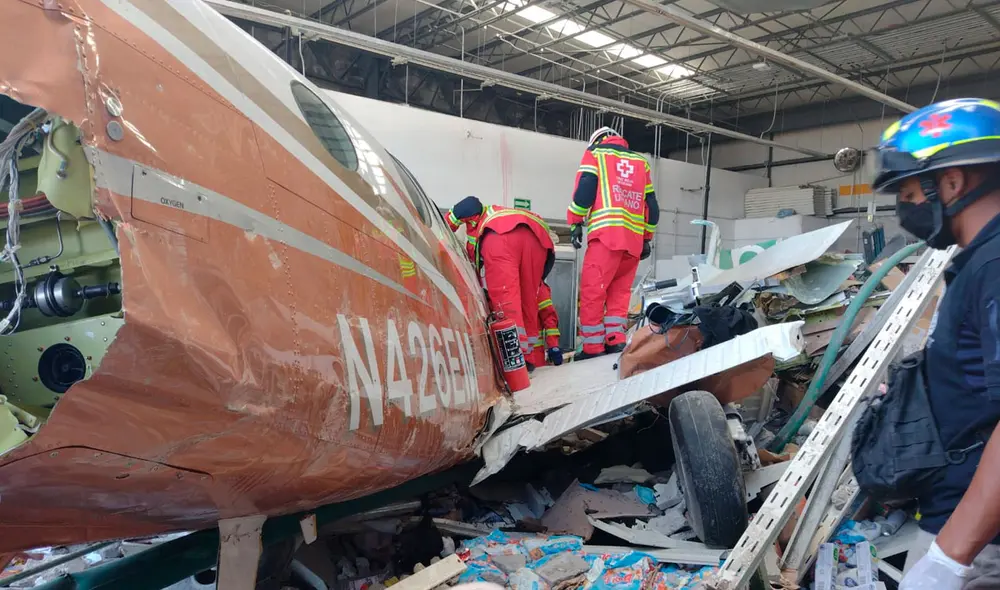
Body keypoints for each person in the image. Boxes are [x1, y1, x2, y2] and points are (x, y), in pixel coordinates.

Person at [870, 98, 1000, 590]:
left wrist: (950, 558)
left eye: (907, 190)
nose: (905, 207)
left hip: (981, 547)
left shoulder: (995, 266)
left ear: (951, 181)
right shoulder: (978, 263)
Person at [567, 126, 659, 360]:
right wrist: (647, 237)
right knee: (619, 293)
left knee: (592, 292)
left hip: (606, 236)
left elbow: (585, 190)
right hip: (633, 242)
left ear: (597, 141)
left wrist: (575, 221)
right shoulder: (641, 163)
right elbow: (652, 206)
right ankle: (615, 340)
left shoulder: (596, 154)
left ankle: (593, 347)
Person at [447, 196, 555, 371]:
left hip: (501, 238)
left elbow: (471, 203)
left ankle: (515, 360)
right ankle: (527, 358)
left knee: (506, 299)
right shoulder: (501, 212)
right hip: (537, 238)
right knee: (528, 301)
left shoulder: (482, 218)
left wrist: (447, 223)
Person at [527, 281, 563, 368]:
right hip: (522, 356)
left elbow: (549, 318)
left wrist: (553, 346)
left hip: (534, 356)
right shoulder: (538, 287)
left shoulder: (538, 287)